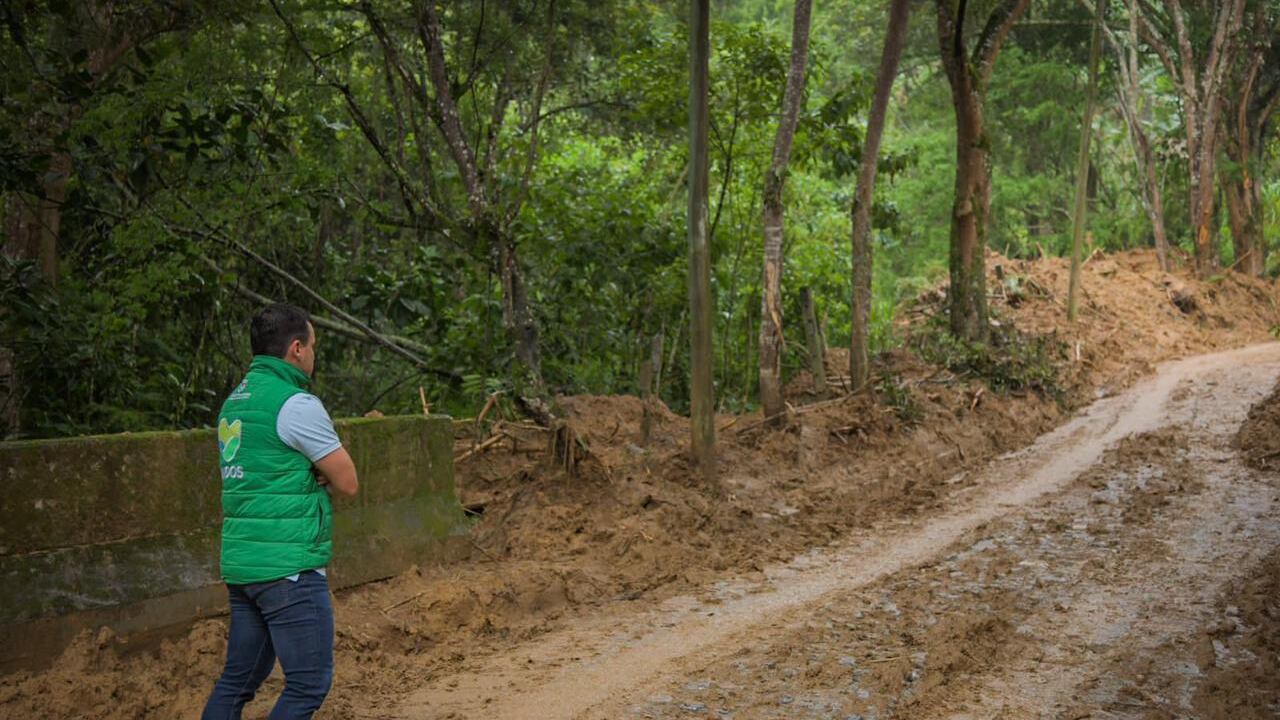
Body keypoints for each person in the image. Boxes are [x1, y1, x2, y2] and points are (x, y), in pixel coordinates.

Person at [202, 303, 358, 720]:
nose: (313, 355)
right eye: (313, 346)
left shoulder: (235, 403)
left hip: (244, 566)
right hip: (289, 570)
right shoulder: (296, 405)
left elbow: (264, 470)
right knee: (308, 683)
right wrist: (317, 471)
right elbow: (347, 481)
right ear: (296, 349)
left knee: (237, 682)